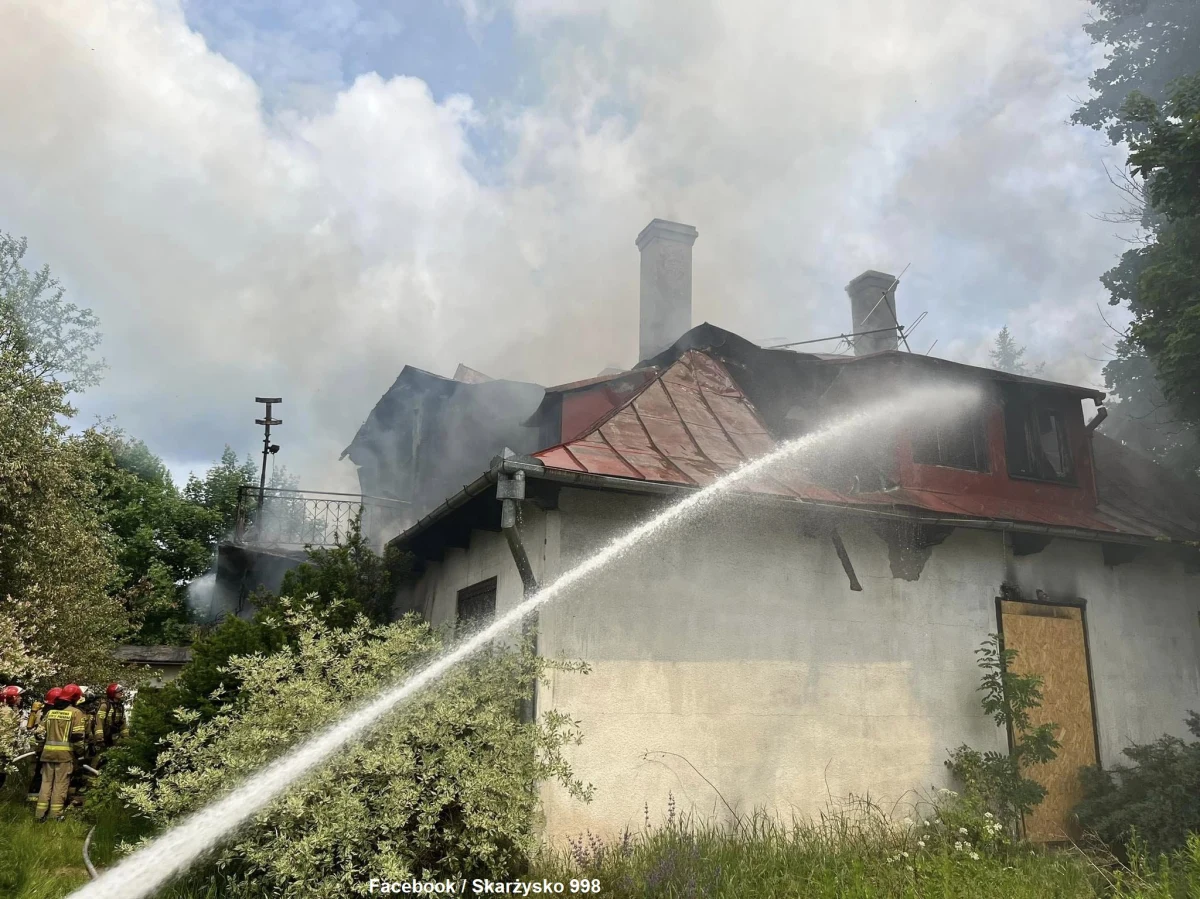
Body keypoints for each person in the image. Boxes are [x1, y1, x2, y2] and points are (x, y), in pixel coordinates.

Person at [34, 683, 86, 821]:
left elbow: (38, 734)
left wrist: (40, 749)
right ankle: (55, 815)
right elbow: (78, 737)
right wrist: (80, 753)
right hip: (65, 756)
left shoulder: (50, 713)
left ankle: (40, 814)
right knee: (60, 785)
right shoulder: (76, 713)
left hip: (47, 755)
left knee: (46, 783)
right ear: (75, 698)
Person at [25, 687, 60, 805]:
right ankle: (38, 798)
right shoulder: (49, 713)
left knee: (38, 773)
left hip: (38, 747)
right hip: (43, 748)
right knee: (42, 774)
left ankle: (34, 798)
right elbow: (39, 732)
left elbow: (30, 727)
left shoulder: (40, 711)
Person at [98, 683, 128, 748]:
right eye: (119, 691)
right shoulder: (105, 706)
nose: (121, 693)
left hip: (115, 738)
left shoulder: (120, 707)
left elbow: (123, 724)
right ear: (112, 692)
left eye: (121, 691)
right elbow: (99, 723)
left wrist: (126, 738)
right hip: (105, 738)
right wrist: (99, 739)